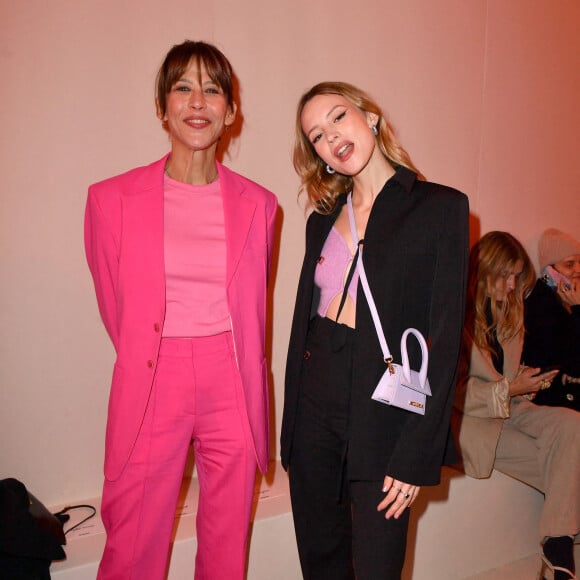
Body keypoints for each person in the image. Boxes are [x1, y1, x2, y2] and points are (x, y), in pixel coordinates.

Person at [84, 40, 278, 580]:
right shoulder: (110, 200)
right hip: (154, 373)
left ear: (230, 112)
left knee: (226, 538)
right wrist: (158, 348)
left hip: (232, 379)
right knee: (134, 538)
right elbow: (113, 304)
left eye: (213, 89)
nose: (198, 101)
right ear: (162, 106)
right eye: (183, 87)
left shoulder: (261, 205)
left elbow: (252, 305)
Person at [280, 81, 469, 578]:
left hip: (382, 407)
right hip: (315, 402)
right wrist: (293, 429)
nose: (332, 137)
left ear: (370, 116)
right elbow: (305, 323)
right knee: (321, 562)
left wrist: (416, 453)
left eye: (338, 117)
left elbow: (445, 341)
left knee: (377, 565)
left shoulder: (440, 208)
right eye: (317, 136)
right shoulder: (321, 219)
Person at [453, 231, 580, 580]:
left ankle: (557, 542)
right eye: (506, 275)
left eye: (516, 276)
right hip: (475, 423)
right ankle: (560, 549)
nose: (512, 285)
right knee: (565, 471)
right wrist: (510, 388)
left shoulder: (509, 310)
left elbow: (504, 374)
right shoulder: (457, 317)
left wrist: (526, 382)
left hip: (512, 410)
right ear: (485, 270)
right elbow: (457, 393)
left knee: (571, 424)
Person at [522, 227, 580, 411]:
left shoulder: (567, 300)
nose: (577, 270)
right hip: (551, 399)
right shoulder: (540, 305)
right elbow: (571, 362)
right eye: (569, 265)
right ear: (549, 271)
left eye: (579, 263)